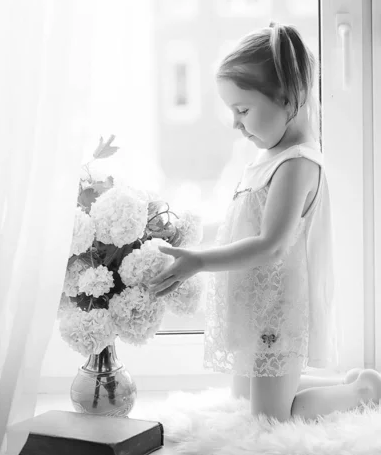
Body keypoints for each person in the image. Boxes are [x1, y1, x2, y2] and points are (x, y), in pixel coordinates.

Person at [148, 22, 381, 423]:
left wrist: (201, 261)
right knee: (245, 401)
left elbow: (271, 244)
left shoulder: (297, 164)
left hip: (276, 309)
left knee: (269, 419)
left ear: (290, 99)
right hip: (253, 305)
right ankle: (349, 382)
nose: (235, 123)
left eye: (243, 110)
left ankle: (361, 392)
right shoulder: (266, 157)